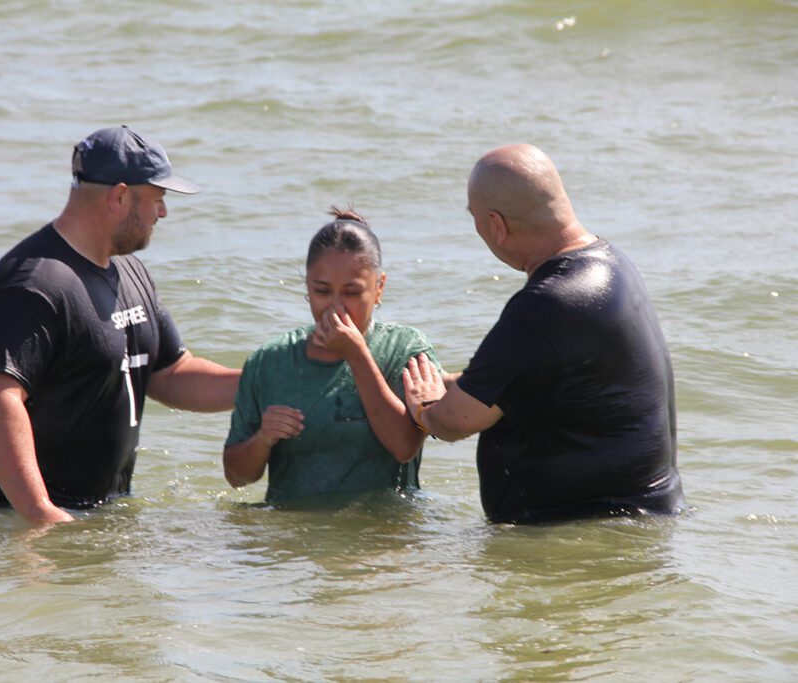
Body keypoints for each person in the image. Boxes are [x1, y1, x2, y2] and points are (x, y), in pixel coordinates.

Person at [0, 125, 240, 525]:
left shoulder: (129, 272)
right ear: (119, 197)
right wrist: (40, 514)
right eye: (157, 198)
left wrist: (268, 380)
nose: (163, 212)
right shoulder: (32, 282)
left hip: (91, 513)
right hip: (3, 517)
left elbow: (171, 374)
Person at [403, 144, 685, 523]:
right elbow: (532, 379)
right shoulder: (610, 265)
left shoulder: (546, 305)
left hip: (586, 531)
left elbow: (455, 422)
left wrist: (424, 407)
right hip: (639, 522)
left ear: (496, 226)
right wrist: (450, 383)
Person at [223, 208, 441, 505]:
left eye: (352, 292)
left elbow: (404, 447)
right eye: (322, 291)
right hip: (294, 542)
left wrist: (356, 354)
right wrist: (262, 439)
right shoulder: (269, 361)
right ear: (307, 287)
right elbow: (236, 477)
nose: (336, 307)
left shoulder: (405, 350)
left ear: (379, 288)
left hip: (383, 540)